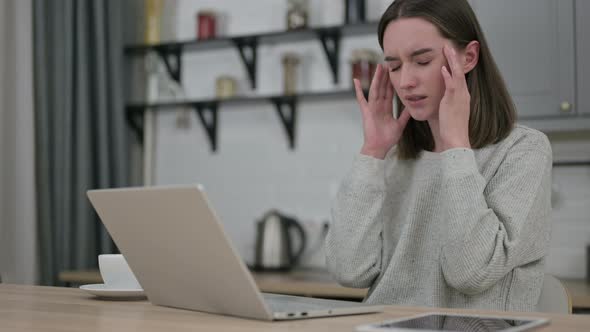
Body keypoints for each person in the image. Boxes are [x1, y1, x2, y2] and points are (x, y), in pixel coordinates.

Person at [325, 0, 552, 312]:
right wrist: (373, 152)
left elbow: (470, 273)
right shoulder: (393, 160)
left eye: (422, 61)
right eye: (394, 66)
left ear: (469, 57)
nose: (405, 81)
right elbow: (348, 271)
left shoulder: (523, 150)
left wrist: (456, 146)